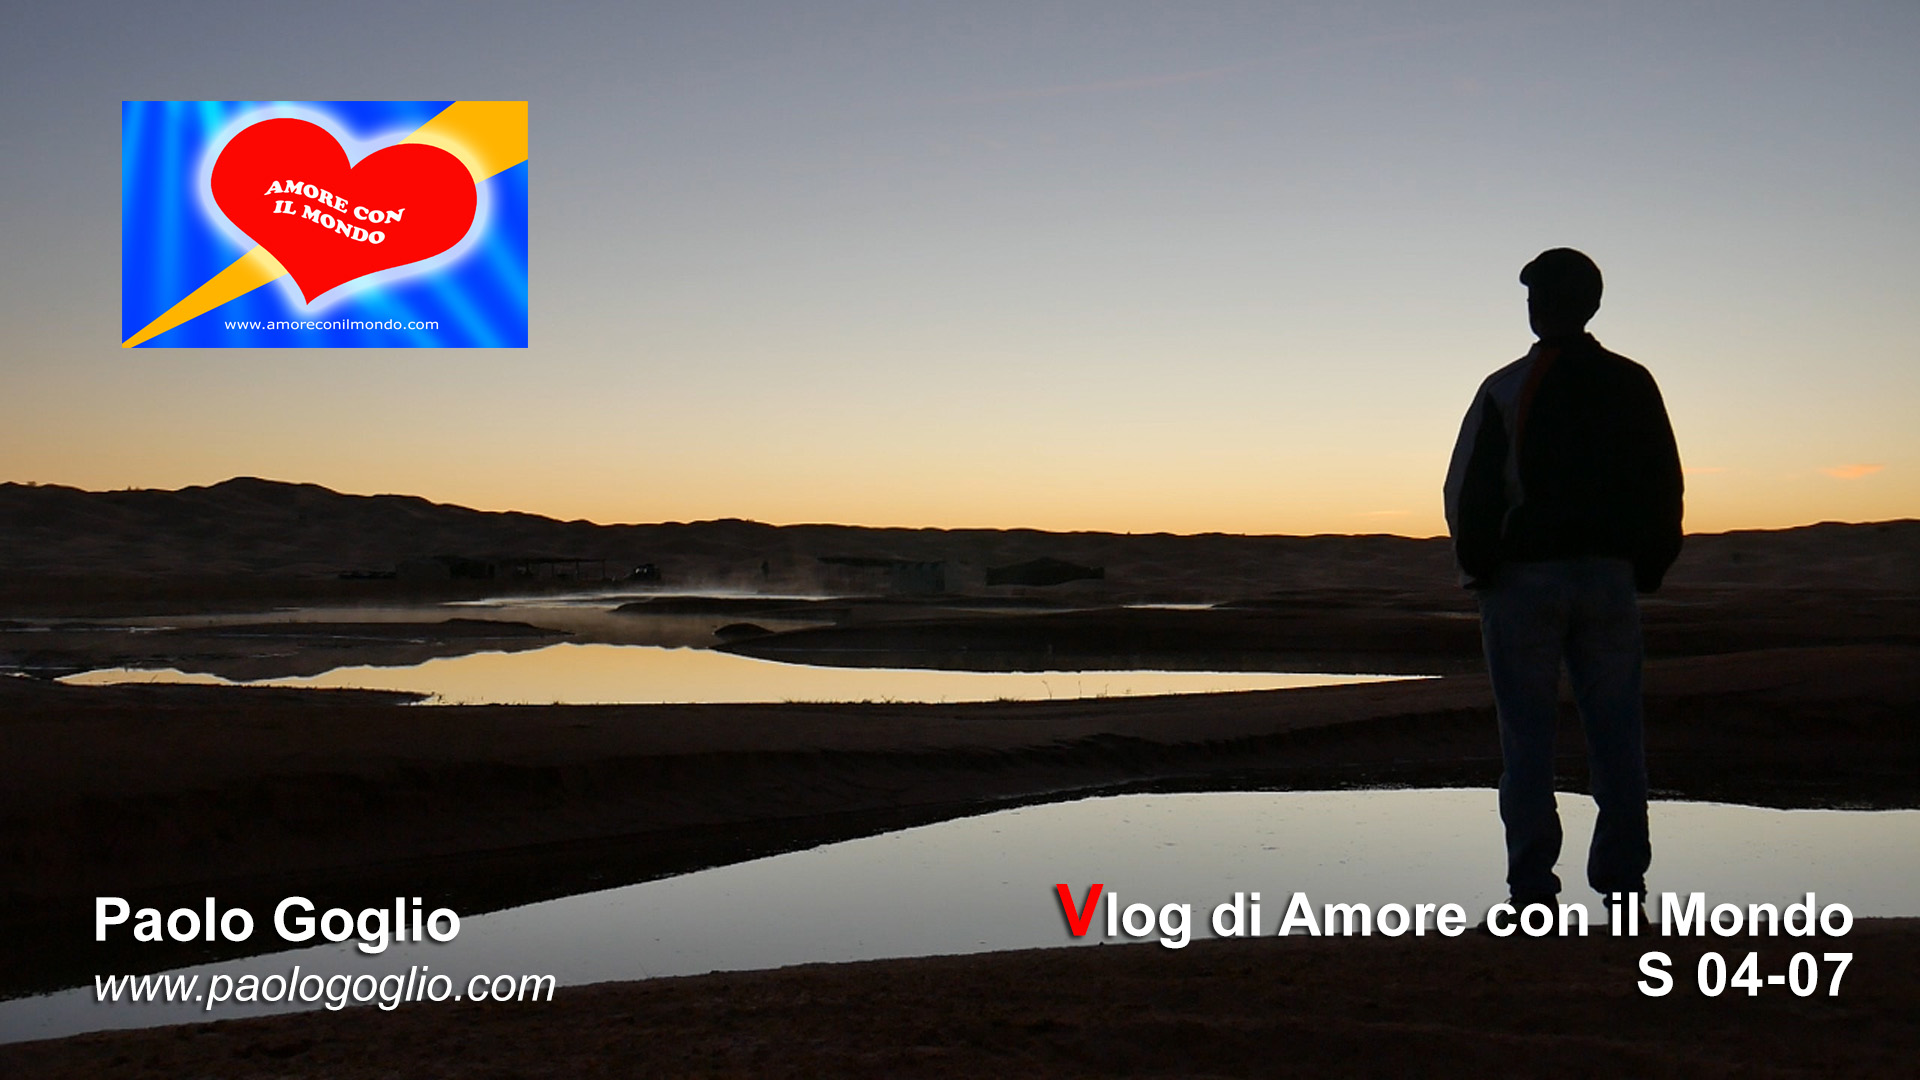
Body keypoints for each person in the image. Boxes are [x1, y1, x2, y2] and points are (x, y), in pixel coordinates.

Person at [1442, 248, 1684, 924]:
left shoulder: (1509, 385)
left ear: (1542, 304)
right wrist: (1648, 564)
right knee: (1617, 735)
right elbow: (1662, 482)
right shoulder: (1631, 381)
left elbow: (1470, 489)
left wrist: (1479, 568)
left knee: (1527, 741)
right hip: (1607, 579)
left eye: (1536, 295)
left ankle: (1531, 891)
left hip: (1526, 581)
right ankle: (1622, 887)